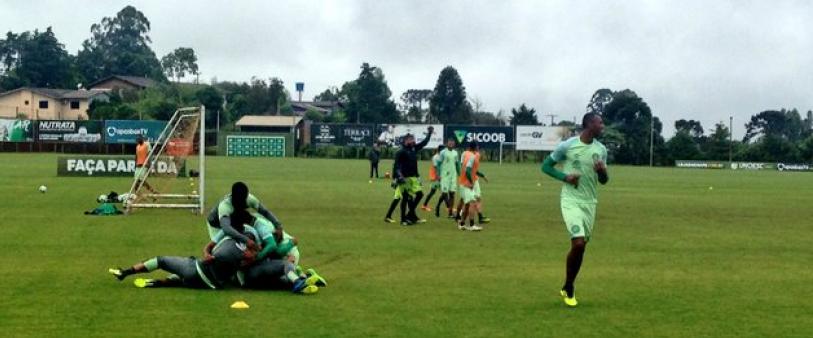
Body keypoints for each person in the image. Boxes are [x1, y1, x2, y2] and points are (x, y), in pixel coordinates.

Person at [541, 112, 609, 307]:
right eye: (600, 122)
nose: (602, 126)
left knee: (581, 248)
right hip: (570, 200)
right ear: (589, 124)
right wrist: (565, 177)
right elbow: (546, 167)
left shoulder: (601, 150)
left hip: (590, 203)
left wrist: (602, 171)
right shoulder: (568, 146)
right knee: (578, 244)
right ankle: (570, 288)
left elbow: (604, 181)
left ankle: (568, 284)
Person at [107, 237, 249, 290]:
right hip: (209, 286)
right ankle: (157, 283)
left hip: (196, 270)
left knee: (161, 261)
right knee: (182, 278)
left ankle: (124, 273)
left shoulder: (227, 237)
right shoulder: (247, 255)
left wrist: (207, 254)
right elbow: (240, 276)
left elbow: (209, 248)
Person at [205, 182, 284, 247]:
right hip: (216, 224)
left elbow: (265, 212)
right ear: (233, 197)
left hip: (232, 221)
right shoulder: (225, 206)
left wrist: (278, 226)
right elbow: (226, 228)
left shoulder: (250, 199)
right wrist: (245, 240)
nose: (242, 202)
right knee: (220, 246)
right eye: (239, 200)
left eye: (243, 200)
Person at [392, 126, 434, 226]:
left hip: (413, 178)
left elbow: (424, 143)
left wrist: (429, 134)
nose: (413, 141)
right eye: (411, 139)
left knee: (420, 194)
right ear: (406, 141)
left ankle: (410, 214)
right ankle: (403, 219)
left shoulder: (413, 148)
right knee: (406, 198)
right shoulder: (401, 151)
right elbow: (396, 166)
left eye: (413, 139)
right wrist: (398, 177)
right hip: (404, 178)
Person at [457, 141, 489, 231]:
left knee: (467, 204)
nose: (478, 148)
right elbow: (467, 171)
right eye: (478, 147)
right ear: (475, 148)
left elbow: (463, 167)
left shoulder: (465, 154)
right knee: (473, 202)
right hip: (466, 184)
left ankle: (462, 224)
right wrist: (470, 182)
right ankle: (471, 225)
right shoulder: (472, 157)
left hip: (462, 182)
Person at [437, 138, 460, 218]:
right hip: (445, 176)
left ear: (454, 144)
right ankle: (438, 206)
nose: (451, 144)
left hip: (453, 176)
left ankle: (450, 213)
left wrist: (460, 174)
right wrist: (438, 174)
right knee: (444, 193)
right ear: (447, 143)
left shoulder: (455, 153)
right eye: (449, 142)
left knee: (452, 194)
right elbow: (438, 164)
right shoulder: (443, 152)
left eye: (452, 142)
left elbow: (457, 164)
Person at [420, 145, 444, 212]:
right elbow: (436, 168)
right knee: (443, 192)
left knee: (434, 192)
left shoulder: (441, 157)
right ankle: (449, 208)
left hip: (438, 177)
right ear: (440, 150)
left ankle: (424, 205)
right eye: (443, 150)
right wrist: (438, 176)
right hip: (436, 178)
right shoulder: (436, 157)